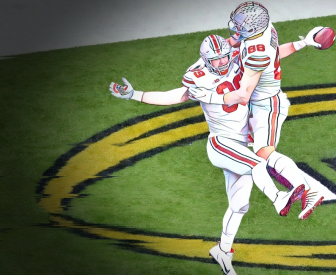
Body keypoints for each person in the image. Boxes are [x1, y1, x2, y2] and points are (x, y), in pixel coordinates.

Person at [109, 34, 312, 275]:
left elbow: (272, 56)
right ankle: (279, 199)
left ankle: (222, 251)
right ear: (205, 60)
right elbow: (181, 96)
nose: (221, 63)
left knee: (239, 205)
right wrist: (135, 94)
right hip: (220, 143)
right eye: (215, 60)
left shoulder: (237, 56)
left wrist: (303, 43)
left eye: (224, 57)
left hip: (239, 145)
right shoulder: (197, 76)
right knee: (258, 163)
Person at [188, 1, 336, 222]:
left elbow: (243, 95)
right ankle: (302, 189)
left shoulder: (255, 53)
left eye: (242, 25)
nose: (237, 28)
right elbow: (271, 53)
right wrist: (302, 43)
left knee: (263, 153)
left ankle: (309, 190)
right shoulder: (265, 30)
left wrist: (209, 91)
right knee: (259, 154)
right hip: (261, 102)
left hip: (265, 104)